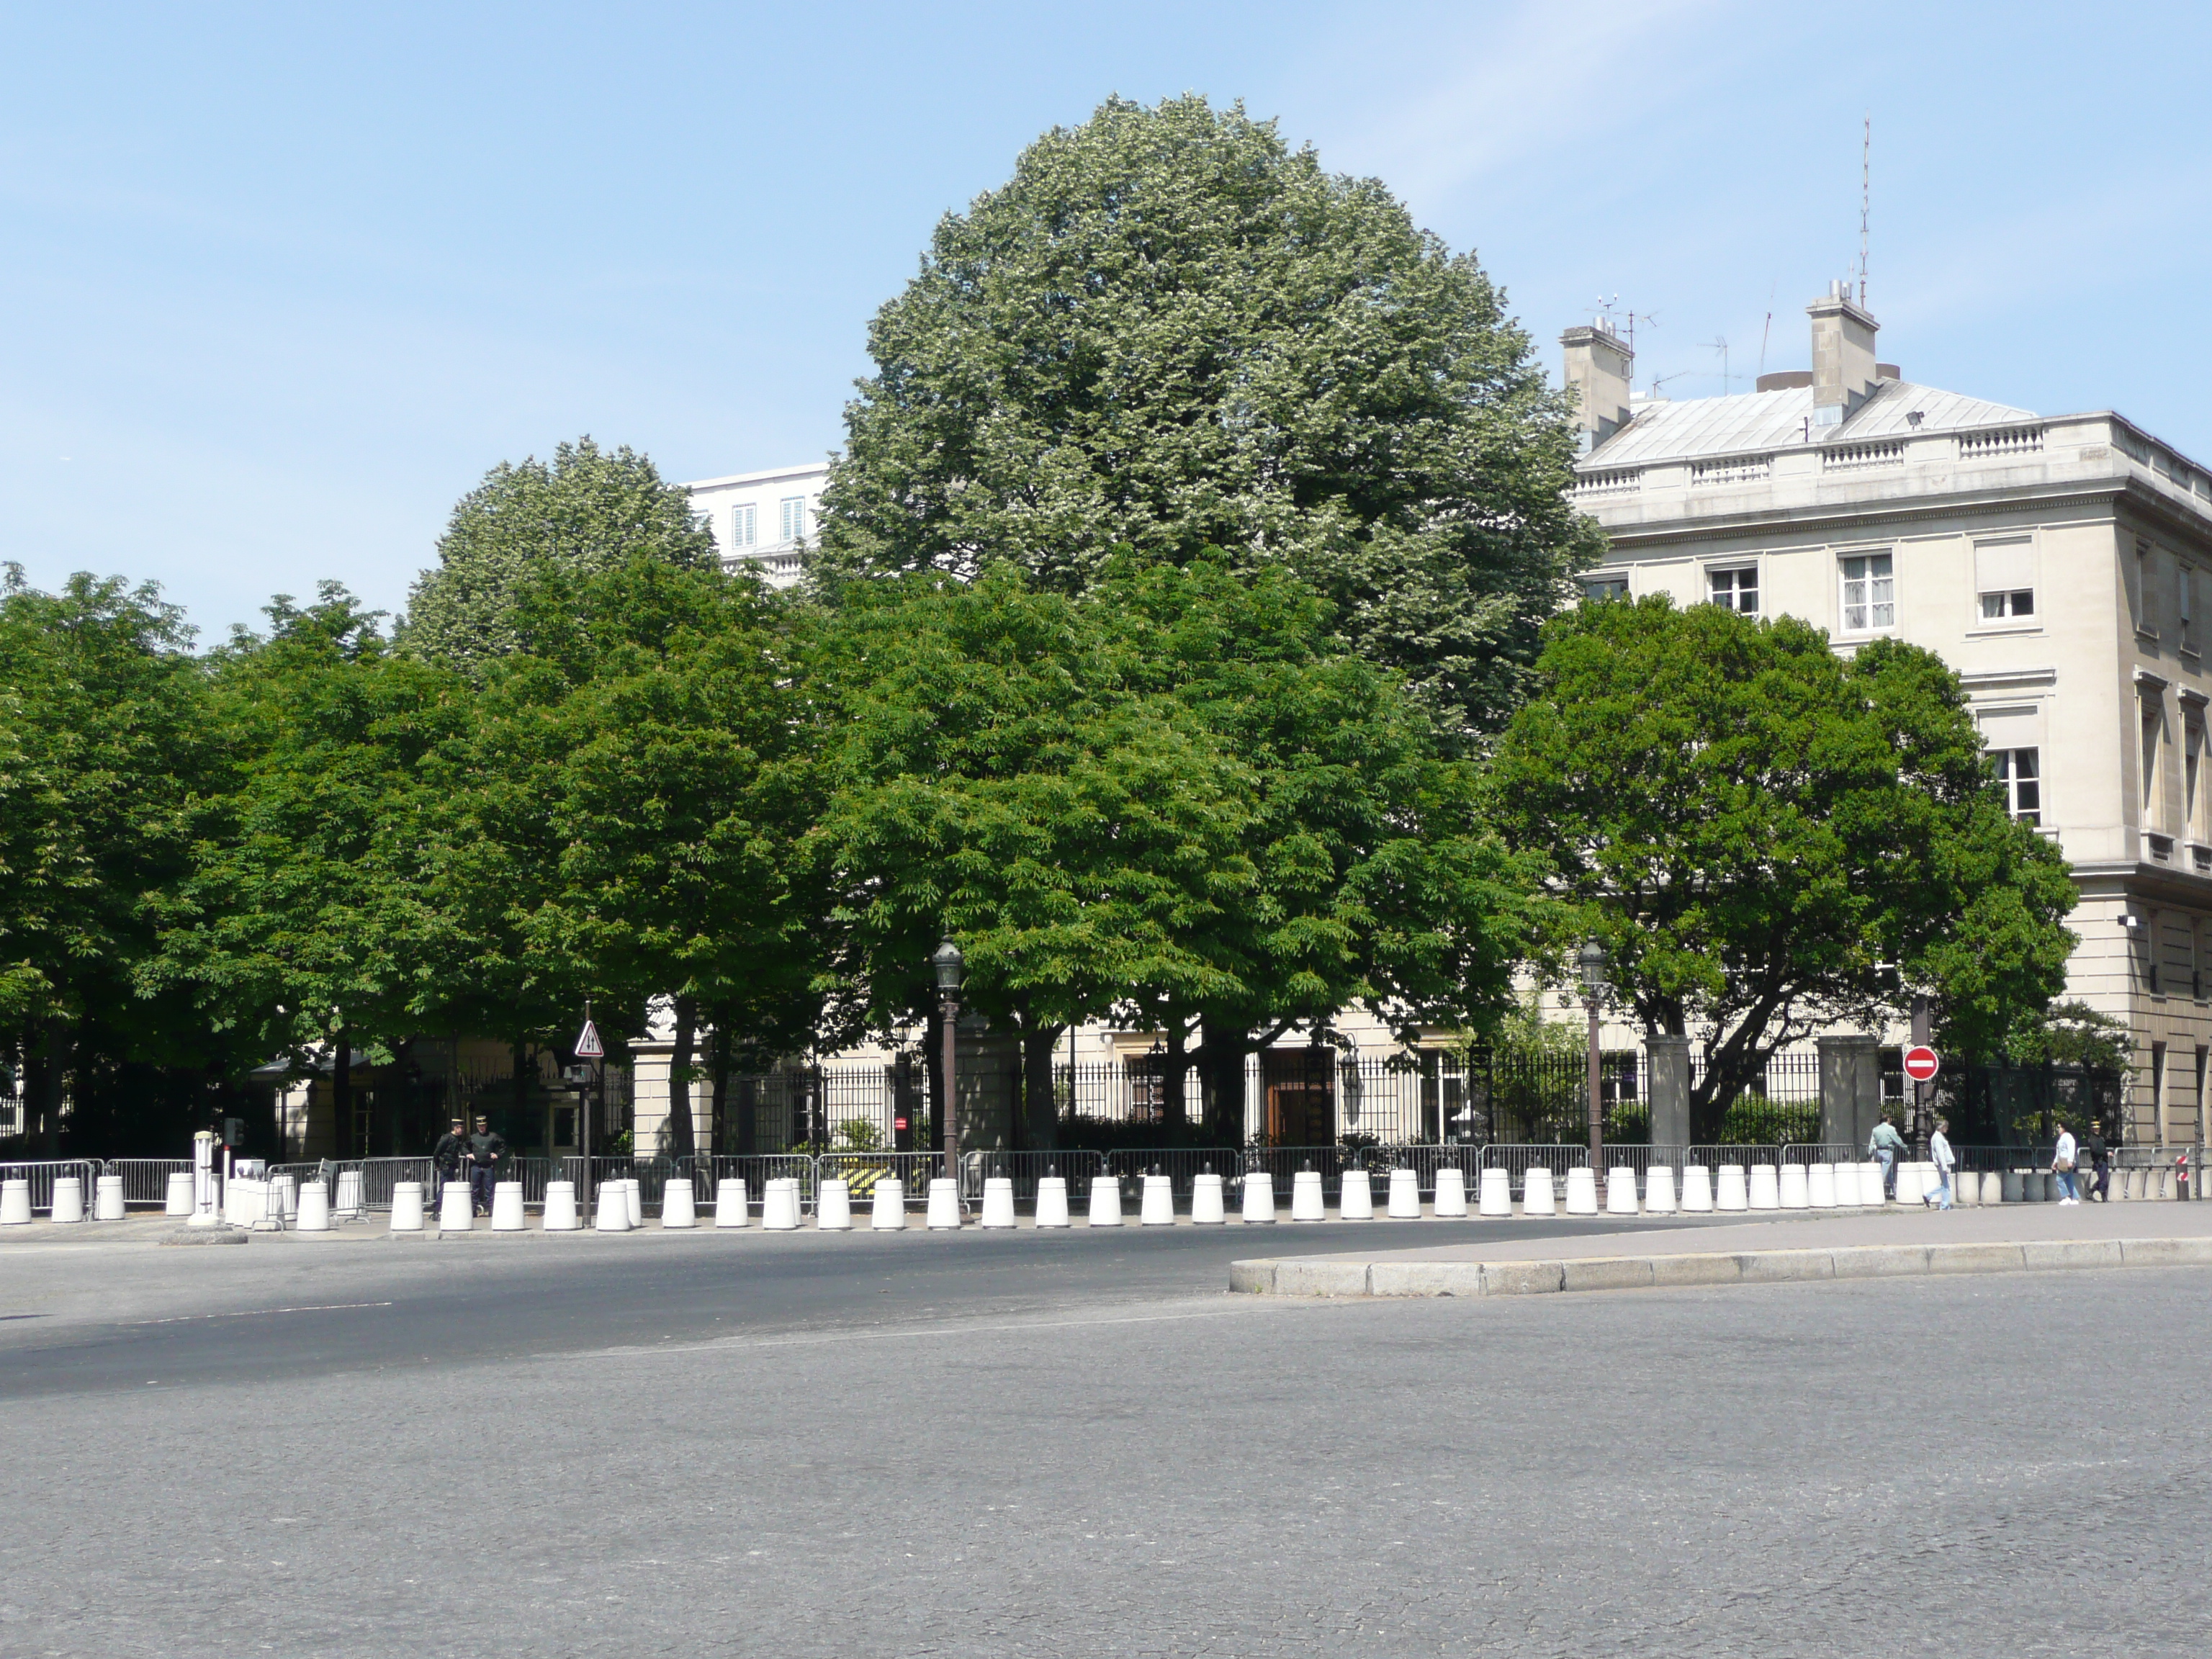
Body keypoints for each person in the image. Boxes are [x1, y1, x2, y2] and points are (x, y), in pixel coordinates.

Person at [467, 1115, 507, 1215]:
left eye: (483, 1125)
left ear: (486, 1125)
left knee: (489, 1190)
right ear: (477, 1126)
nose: (482, 1127)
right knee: (475, 1190)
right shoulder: (473, 1137)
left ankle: (491, 1210)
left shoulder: (493, 1136)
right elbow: (464, 1146)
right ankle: (473, 1210)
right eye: (480, 1125)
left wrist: (498, 1155)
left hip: (488, 1166)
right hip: (476, 1166)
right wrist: (468, 1154)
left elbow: (503, 1146)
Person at [1869, 1115, 1909, 1202]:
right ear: (1888, 1120)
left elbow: (1872, 1142)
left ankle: (1895, 1192)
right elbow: (1897, 1140)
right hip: (1888, 1151)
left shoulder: (1875, 1129)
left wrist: (1870, 1153)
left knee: (1889, 1173)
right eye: (1890, 1119)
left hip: (1878, 1152)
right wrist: (1905, 1147)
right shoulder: (1891, 1129)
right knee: (1883, 1174)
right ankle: (1877, 1192)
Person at [433, 1118, 468, 1209]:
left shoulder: (458, 1139)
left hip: (453, 1165)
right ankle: (438, 1209)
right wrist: (437, 1164)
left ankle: (448, 1207)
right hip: (446, 1165)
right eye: (460, 1128)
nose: (462, 1130)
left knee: (452, 1187)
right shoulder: (447, 1138)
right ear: (455, 1128)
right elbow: (437, 1152)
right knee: (444, 1187)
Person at [1923, 1117, 1956, 1210]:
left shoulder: (1938, 1137)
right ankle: (1945, 1205)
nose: (1947, 1129)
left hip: (1943, 1164)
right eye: (1946, 1127)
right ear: (1941, 1127)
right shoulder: (1937, 1138)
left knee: (1945, 1185)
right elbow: (1940, 1153)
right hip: (1943, 1164)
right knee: (1947, 1186)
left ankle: (1928, 1196)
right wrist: (1945, 1166)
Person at [2051, 1118, 2080, 1205]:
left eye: (2059, 1127)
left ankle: (2066, 1197)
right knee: (2069, 1180)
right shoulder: (2062, 1138)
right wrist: (2055, 1162)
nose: (2058, 1129)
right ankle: (2075, 1198)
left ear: (2064, 1128)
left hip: (2067, 1162)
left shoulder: (2068, 1137)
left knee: (2059, 1179)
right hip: (2063, 1162)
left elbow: (2071, 1149)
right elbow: (2059, 1152)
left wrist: (2070, 1161)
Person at [2084, 1123, 2111, 1202]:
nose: (2097, 1130)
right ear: (2092, 1129)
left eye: (2098, 1129)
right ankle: (2100, 1194)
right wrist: (2106, 1153)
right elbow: (2096, 1151)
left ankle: (2094, 1192)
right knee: (2103, 1180)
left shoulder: (2099, 1138)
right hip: (2099, 1161)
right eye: (2095, 1129)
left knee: (2103, 1179)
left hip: (2103, 1161)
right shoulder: (2092, 1139)